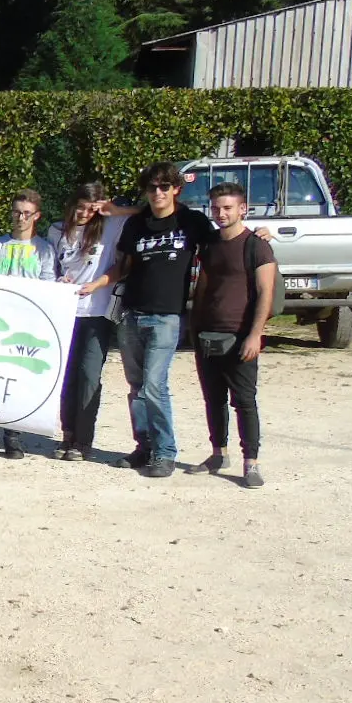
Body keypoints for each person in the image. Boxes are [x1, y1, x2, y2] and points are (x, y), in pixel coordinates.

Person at [101, 162, 222, 478]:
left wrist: (257, 235)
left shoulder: (191, 221)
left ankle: (165, 453)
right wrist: (98, 283)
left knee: (155, 385)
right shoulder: (137, 224)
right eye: (152, 187)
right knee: (136, 386)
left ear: (176, 189)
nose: (158, 192)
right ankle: (145, 447)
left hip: (166, 317)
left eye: (164, 187)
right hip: (131, 314)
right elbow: (122, 265)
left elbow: (224, 244)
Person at [188, 181, 274, 489]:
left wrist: (255, 334)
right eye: (216, 208)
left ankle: (251, 462)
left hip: (240, 335)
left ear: (243, 210)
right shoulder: (209, 243)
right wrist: (193, 328)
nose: (221, 213)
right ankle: (217, 454)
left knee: (244, 401)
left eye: (227, 208)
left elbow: (266, 292)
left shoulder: (256, 245)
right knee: (213, 398)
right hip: (206, 333)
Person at [0, 189, 60, 459]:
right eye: (16, 212)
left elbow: (48, 286)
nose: (20, 218)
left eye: (26, 213)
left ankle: (13, 436)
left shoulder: (45, 250)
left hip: (25, 326)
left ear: (36, 216)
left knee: (17, 380)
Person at [50, 183, 126, 461]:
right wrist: (59, 279)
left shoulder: (111, 226)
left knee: (89, 375)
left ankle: (83, 441)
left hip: (96, 311)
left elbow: (122, 264)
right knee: (67, 375)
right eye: (80, 206)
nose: (83, 213)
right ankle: (67, 434)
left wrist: (98, 283)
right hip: (65, 310)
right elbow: (54, 267)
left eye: (90, 208)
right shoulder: (56, 230)